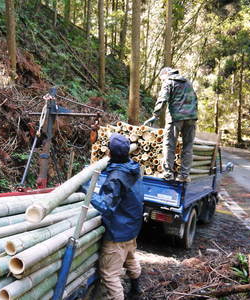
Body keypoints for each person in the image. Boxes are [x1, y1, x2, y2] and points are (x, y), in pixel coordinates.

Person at [91, 133, 144, 300]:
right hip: (131, 229)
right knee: (130, 258)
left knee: (109, 275)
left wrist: (86, 192)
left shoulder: (116, 178)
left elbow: (106, 207)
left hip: (117, 233)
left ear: (110, 152)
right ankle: (136, 291)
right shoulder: (133, 168)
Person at [144, 67, 198, 182]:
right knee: (188, 146)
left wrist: (155, 115)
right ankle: (184, 175)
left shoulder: (169, 81)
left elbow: (162, 99)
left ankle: (168, 173)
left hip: (176, 118)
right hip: (191, 117)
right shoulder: (187, 82)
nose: (162, 81)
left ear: (165, 74)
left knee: (169, 144)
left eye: (161, 79)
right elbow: (195, 99)